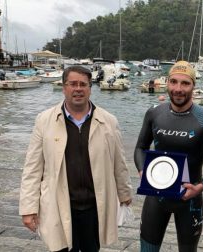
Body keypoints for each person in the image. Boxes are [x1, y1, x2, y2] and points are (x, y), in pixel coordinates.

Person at [19, 65, 133, 252]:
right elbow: (32, 168)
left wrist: (125, 194)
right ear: (64, 87)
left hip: (94, 205)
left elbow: (119, 163)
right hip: (59, 202)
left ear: (90, 88)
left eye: (83, 84)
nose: (78, 89)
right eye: (72, 84)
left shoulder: (109, 121)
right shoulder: (44, 120)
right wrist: (28, 208)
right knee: (61, 249)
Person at [134, 60, 203, 252]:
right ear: (167, 83)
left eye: (185, 83)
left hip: (190, 200)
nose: (178, 89)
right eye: (174, 82)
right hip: (155, 199)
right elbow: (140, 148)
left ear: (194, 85)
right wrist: (143, 171)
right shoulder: (154, 113)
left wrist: (200, 187)